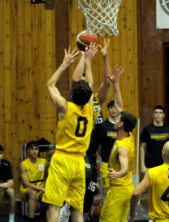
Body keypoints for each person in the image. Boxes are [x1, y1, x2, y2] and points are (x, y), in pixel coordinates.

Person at [59, 39, 112, 221]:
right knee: (81, 193)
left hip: (92, 152)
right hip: (80, 152)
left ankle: (71, 209)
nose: (84, 82)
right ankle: (68, 208)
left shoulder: (96, 100)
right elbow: (75, 80)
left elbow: (107, 83)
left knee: (89, 194)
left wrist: (105, 58)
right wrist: (85, 59)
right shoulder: (79, 103)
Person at [43, 44, 96, 222]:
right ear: (90, 96)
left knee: (54, 208)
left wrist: (65, 64)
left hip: (62, 160)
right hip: (80, 163)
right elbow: (90, 84)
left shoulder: (65, 107)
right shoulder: (89, 109)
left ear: (72, 95)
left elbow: (50, 85)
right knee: (77, 211)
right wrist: (87, 61)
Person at [99, 65, 137, 222]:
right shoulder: (129, 135)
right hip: (127, 188)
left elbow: (125, 167)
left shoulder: (122, 147)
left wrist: (118, 173)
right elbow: (120, 106)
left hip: (119, 191)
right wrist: (116, 86)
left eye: (118, 119)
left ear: (121, 125)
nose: (116, 118)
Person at [140, 105, 169, 174]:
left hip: (166, 164)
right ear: (153, 115)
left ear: (163, 115)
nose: (158, 114)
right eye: (156, 113)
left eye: (160, 113)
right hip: (150, 164)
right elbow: (142, 148)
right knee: (150, 184)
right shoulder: (147, 129)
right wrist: (142, 165)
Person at [20, 141, 48, 221]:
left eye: (36, 149)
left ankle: (44, 217)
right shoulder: (24, 164)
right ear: (28, 151)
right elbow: (26, 184)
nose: (35, 151)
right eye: (32, 149)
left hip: (40, 186)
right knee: (33, 193)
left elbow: (48, 177)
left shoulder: (43, 162)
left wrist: (42, 186)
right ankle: (31, 219)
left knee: (46, 195)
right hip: (27, 189)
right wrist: (40, 188)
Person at [100, 100, 118, 207]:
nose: (113, 109)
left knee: (118, 191)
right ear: (109, 110)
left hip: (119, 164)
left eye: (115, 107)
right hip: (106, 163)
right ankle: (104, 216)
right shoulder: (103, 125)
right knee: (106, 191)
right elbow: (99, 145)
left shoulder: (122, 125)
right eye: (111, 107)